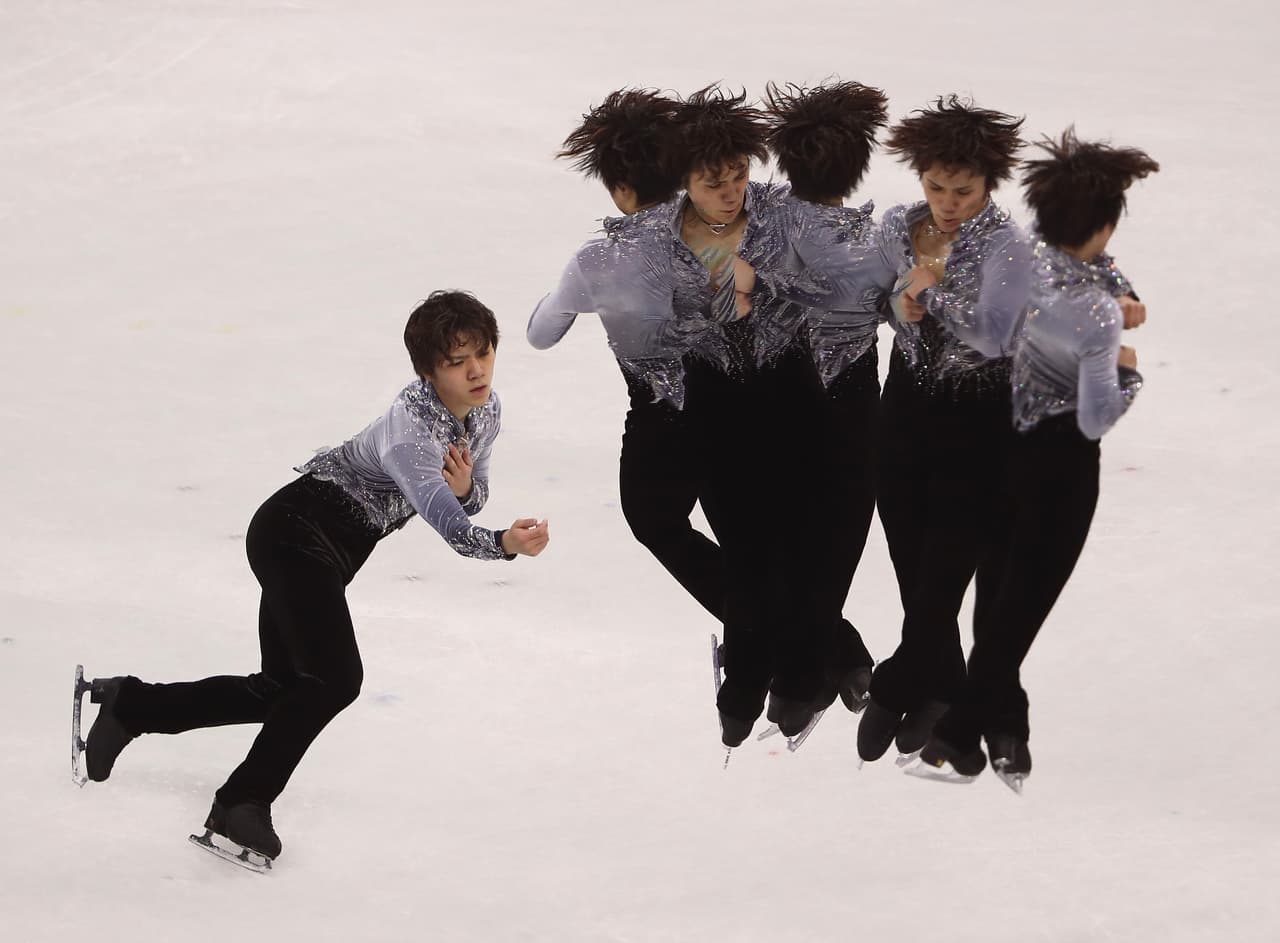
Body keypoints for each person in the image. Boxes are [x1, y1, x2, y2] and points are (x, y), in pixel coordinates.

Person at [80, 291, 549, 865]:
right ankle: (241, 802)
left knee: (282, 689)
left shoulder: (487, 410)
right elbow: (454, 528)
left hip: (327, 553)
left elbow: (470, 497)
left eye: (483, 353)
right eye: (457, 361)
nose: (476, 371)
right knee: (334, 679)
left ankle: (131, 706)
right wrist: (503, 544)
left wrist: (467, 488)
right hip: (294, 533)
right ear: (428, 371)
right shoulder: (411, 434)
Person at [916, 130, 1158, 787]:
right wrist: (1126, 368)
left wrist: (929, 295)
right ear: (1104, 225)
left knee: (999, 592)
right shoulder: (1094, 313)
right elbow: (1096, 415)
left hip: (998, 444)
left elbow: (989, 329)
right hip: (1062, 464)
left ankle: (1001, 731)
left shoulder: (1018, 259)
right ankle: (955, 740)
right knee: (1020, 607)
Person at [855, 96, 1032, 765]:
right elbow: (877, 299)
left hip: (978, 419)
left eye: (963, 191)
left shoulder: (1007, 246)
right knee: (908, 552)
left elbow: (993, 334)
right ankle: (945, 687)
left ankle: (900, 679)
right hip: (904, 405)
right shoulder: (898, 226)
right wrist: (895, 302)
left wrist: (930, 290)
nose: (948, 203)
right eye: (936, 187)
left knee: (944, 566)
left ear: (988, 184)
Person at [528, 88, 727, 620]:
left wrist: (576, 289)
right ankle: (820, 646)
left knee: (654, 518)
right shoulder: (722, 235)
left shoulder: (599, 260)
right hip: (742, 407)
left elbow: (541, 334)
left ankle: (792, 640)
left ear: (620, 190)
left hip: (662, 425)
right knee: (750, 541)